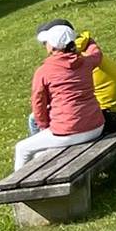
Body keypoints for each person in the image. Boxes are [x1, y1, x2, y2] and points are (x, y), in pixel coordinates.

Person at [15, 22, 105, 171]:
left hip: (68, 131)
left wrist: (44, 127)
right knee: (41, 152)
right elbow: (97, 54)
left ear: (53, 47)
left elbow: (38, 103)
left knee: (22, 148)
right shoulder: (86, 62)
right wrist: (89, 41)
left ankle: (13, 189)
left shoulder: (44, 71)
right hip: (96, 126)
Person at [24, 21, 116, 135]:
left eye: (45, 42)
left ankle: (48, 151)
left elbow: (45, 99)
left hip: (110, 112)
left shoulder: (74, 59)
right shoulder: (86, 48)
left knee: (35, 119)